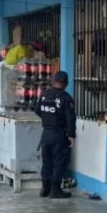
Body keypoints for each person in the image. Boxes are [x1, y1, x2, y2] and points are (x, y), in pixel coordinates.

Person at [34, 70, 76, 199]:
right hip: (59, 134)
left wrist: (48, 119)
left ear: (54, 81)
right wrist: (71, 135)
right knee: (59, 163)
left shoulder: (45, 95)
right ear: (66, 83)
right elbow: (70, 119)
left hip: (46, 134)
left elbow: (37, 110)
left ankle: (45, 188)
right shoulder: (65, 98)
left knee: (47, 162)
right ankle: (55, 190)